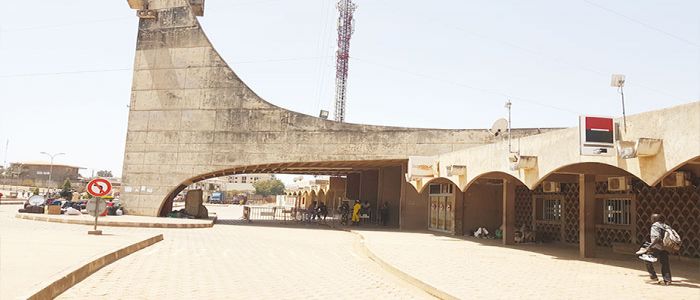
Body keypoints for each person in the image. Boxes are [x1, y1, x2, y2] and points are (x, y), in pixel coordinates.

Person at [636, 213, 672, 285]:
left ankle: (653, 276)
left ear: (655, 219)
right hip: (665, 247)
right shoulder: (666, 226)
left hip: (656, 247)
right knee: (665, 263)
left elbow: (657, 237)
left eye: (652, 218)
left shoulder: (655, 226)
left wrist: (650, 246)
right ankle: (667, 280)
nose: (651, 220)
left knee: (647, 259)